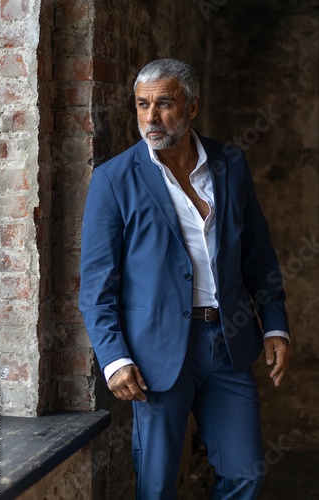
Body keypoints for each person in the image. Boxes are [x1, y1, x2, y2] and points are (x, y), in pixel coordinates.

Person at [79, 58, 290, 499]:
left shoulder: (230, 164)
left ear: (191, 108)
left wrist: (274, 323)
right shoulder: (114, 179)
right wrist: (113, 358)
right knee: (156, 488)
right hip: (155, 354)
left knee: (246, 473)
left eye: (165, 104)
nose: (151, 118)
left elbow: (258, 253)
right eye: (142, 105)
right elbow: (96, 284)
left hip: (228, 342)